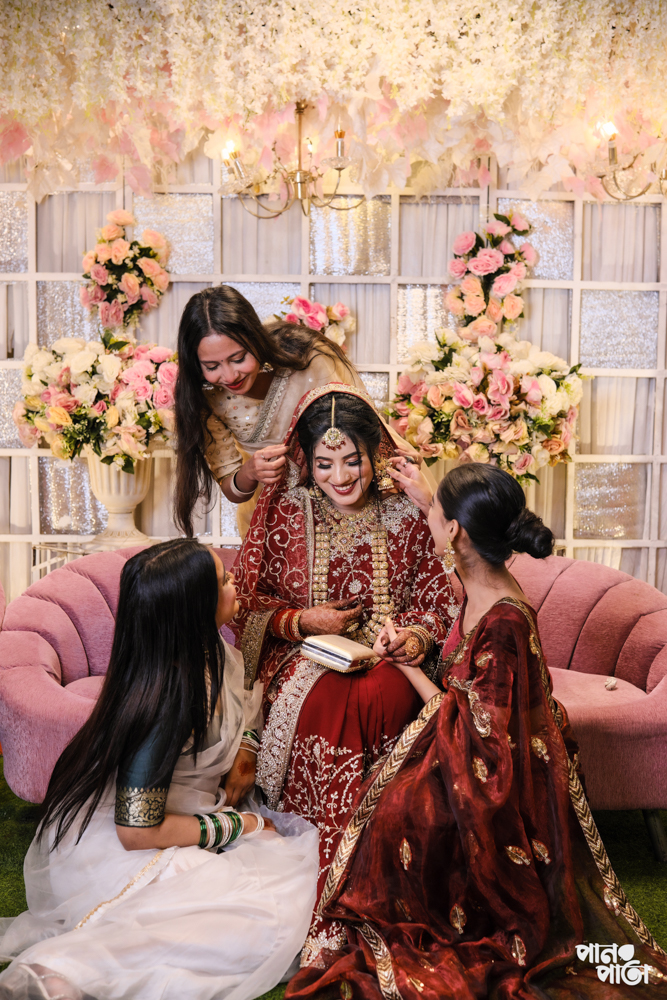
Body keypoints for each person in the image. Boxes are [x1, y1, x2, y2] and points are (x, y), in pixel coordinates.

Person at [286, 463, 667, 1000]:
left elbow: (482, 743)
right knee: (385, 802)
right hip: (467, 747)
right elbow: (466, 700)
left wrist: (405, 673)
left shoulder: (504, 618)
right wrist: (408, 656)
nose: (428, 518)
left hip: (491, 783)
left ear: (455, 530)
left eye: (435, 512)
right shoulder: (479, 582)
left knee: (397, 814)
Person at [0, 539, 319, 1000]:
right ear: (194, 607)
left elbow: (245, 704)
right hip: (127, 848)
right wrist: (240, 825)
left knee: (293, 891)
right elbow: (136, 831)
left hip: (187, 814)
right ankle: (66, 970)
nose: (235, 583)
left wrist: (246, 751)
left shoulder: (213, 652)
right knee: (274, 919)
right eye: (223, 581)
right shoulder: (170, 699)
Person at [230, 384, 460, 964]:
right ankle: (324, 870)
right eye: (325, 463)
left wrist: (412, 637)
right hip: (305, 659)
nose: (340, 477)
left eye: (352, 460)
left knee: (374, 694)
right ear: (305, 461)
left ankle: (363, 873)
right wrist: (303, 620)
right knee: (330, 699)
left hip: (394, 662)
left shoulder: (408, 510)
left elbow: (441, 599)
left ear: (374, 452)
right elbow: (245, 606)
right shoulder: (285, 509)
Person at [174, 284, 367, 538]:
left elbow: (362, 434)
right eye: (211, 366)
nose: (229, 376)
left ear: (256, 340)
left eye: (238, 358)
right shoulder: (206, 396)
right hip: (270, 525)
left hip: (344, 503)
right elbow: (231, 487)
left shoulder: (309, 360)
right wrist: (250, 472)